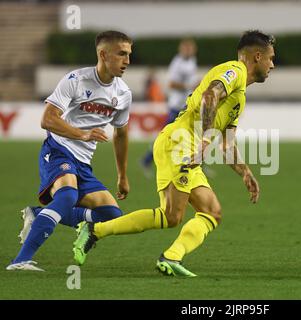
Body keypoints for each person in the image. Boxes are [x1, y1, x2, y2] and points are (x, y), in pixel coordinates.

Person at [73, 30, 275, 277]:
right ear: (257, 56)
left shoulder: (240, 97)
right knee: (171, 215)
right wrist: (205, 138)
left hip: (187, 146)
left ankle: (170, 256)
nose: (272, 65)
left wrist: (245, 172)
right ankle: (96, 230)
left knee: (211, 212)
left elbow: (226, 143)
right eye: (270, 58)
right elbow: (210, 96)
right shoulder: (234, 71)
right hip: (179, 143)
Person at [6, 30, 133, 271]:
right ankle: (20, 261)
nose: (127, 60)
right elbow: (48, 119)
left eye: (129, 54)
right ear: (103, 55)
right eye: (121, 54)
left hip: (83, 163)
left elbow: (122, 134)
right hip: (58, 150)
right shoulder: (75, 80)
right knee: (67, 197)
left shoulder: (123, 93)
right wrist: (82, 134)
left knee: (112, 215)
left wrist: (122, 176)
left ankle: (37, 214)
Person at [140, 38, 199, 173]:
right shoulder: (177, 63)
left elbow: (192, 80)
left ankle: (197, 164)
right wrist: (190, 86)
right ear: (181, 49)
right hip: (177, 106)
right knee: (166, 136)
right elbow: (171, 84)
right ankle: (147, 160)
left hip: (188, 104)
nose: (190, 51)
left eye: (191, 48)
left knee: (192, 134)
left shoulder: (192, 61)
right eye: (187, 48)